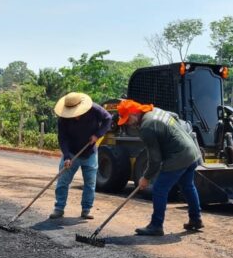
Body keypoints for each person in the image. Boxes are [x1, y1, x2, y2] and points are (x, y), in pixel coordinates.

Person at [116, 99, 203, 236]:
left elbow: (155, 160)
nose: (127, 123)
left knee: (159, 189)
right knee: (187, 186)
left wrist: (145, 177)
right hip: (192, 151)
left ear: (134, 113)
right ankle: (196, 219)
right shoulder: (155, 110)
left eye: (127, 119)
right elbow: (174, 116)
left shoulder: (147, 127)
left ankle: (156, 226)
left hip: (178, 156)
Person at [50, 92, 112, 220]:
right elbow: (63, 138)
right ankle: (59, 208)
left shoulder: (95, 109)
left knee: (90, 184)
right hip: (72, 153)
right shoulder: (63, 118)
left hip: (90, 153)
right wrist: (67, 156)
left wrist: (98, 134)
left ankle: (86, 210)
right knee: (63, 182)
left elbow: (108, 119)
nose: (75, 115)